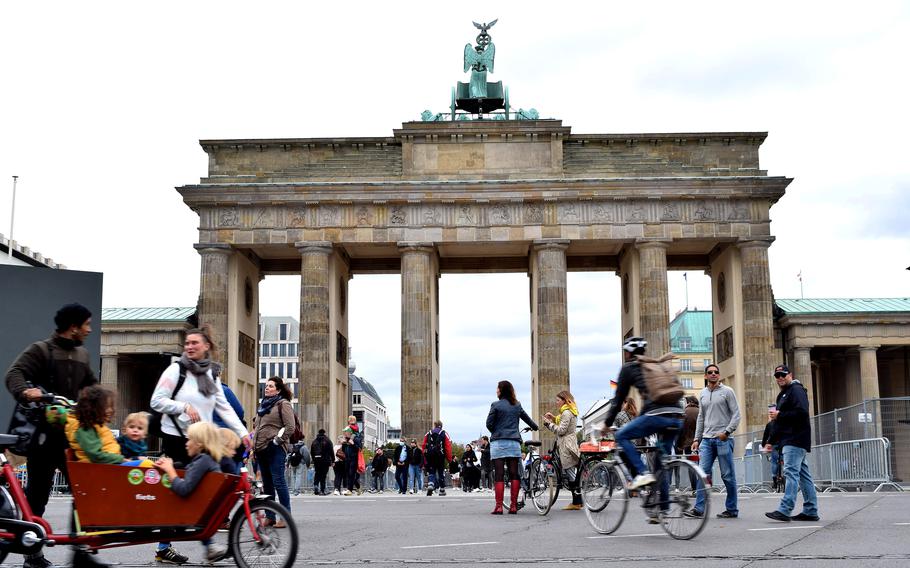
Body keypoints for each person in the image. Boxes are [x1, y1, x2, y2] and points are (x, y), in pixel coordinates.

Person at [4, 303, 104, 568]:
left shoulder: (82, 355)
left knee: (85, 494)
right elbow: (13, 374)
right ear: (73, 327)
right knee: (38, 495)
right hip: (44, 437)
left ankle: (81, 553)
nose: (89, 329)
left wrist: (99, 401)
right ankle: (32, 553)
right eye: (86, 324)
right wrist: (26, 391)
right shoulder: (42, 350)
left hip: (72, 437)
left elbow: (91, 386)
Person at [149, 327, 248, 564]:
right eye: (187, 343)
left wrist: (243, 433)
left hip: (202, 439)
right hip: (177, 439)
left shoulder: (211, 374)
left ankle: (208, 533)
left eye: (195, 343)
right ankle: (181, 545)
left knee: (226, 476)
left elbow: (223, 406)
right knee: (182, 492)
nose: (189, 346)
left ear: (206, 346)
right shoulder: (176, 370)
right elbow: (157, 400)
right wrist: (182, 407)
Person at [601, 337, 684, 491]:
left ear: (627, 352)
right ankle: (663, 510)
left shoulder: (629, 368)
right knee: (660, 465)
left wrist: (606, 425)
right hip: (677, 415)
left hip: (656, 416)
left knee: (621, 436)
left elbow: (618, 401)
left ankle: (642, 472)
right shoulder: (655, 365)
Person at [155, 422, 229, 563]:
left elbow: (184, 489)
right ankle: (209, 547)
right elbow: (189, 469)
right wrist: (172, 465)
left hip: (192, 513)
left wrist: (170, 471)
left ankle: (163, 547)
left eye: (189, 439)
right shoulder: (209, 460)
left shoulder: (202, 461)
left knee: (167, 502)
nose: (186, 443)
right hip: (202, 511)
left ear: (200, 444)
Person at [686, 363, 742, 519]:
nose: (713, 374)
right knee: (702, 474)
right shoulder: (702, 393)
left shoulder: (727, 392)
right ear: (705, 376)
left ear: (719, 375)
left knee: (727, 476)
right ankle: (699, 509)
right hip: (706, 441)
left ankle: (731, 509)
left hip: (723, 439)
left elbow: (736, 415)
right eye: (710, 372)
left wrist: (727, 432)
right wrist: (697, 438)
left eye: (716, 372)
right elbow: (701, 418)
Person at [765, 364, 819, 522]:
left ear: (790, 374)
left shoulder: (795, 390)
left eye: (783, 374)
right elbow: (780, 422)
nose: (780, 378)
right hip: (793, 438)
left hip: (795, 438)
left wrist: (780, 414)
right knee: (803, 476)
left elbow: (802, 412)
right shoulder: (784, 393)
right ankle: (810, 510)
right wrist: (771, 441)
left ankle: (785, 509)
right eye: (777, 376)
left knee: (791, 474)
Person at [486, 380, 539, 514]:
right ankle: (514, 505)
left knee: (499, 474)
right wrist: (535, 427)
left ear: (501, 390)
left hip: (498, 442)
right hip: (513, 442)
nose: (496, 391)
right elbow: (527, 419)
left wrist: (496, 431)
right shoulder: (517, 405)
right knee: (514, 474)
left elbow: (489, 424)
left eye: (497, 388)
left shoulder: (495, 405)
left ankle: (499, 506)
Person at [252, 376, 294, 523]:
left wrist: (276, 441)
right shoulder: (263, 405)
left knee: (278, 481)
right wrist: (253, 447)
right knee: (267, 484)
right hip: (261, 449)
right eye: (266, 386)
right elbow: (257, 428)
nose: (267, 388)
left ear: (278, 389)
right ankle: (270, 516)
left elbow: (290, 427)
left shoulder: (283, 404)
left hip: (275, 449)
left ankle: (285, 516)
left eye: (270, 386)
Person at [65, 385, 126, 465]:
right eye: (106, 406)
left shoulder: (94, 426)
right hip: (102, 469)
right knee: (145, 466)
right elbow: (96, 456)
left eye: (111, 406)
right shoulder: (85, 429)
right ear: (93, 408)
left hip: (109, 466)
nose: (110, 410)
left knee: (144, 465)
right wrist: (122, 459)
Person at [543, 390, 583, 510]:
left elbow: (561, 430)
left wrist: (548, 424)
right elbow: (564, 423)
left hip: (566, 444)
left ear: (564, 400)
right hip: (570, 442)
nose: (556, 403)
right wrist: (554, 418)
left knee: (571, 473)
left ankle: (576, 502)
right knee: (571, 472)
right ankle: (577, 501)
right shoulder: (570, 410)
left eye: (558, 400)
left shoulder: (566, 412)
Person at [422, 420, 453, 496]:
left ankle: (430, 485)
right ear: (441, 425)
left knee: (432, 472)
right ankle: (442, 490)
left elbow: (423, 445)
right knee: (440, 472)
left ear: (434, 425)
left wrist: (425, 455)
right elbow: (447, 446)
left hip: (430, 455)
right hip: (440, 456)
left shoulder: (428, 433)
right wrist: (449, 459)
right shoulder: (444, 433)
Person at [342, 416, 363, 495]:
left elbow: (360, 448)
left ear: (350, 432)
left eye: (346, 432)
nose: (345, 433)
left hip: (354, 458)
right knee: (348, 474)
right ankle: (358, 487)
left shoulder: (356, 438)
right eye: (344, 432)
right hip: (347, 458)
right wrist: (344, 443)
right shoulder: (346, 439)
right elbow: (344, 450)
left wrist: (353, 444)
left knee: (351, 474)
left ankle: (349, 490)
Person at [760, 415, 782, 491]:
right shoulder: (782, 422)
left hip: (775, 445)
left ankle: (774, 480)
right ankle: (785, 475)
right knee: (785, 460)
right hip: (783, 444)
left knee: (774, 462)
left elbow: (765, 435)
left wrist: (764, 444)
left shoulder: (770, 424)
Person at [310, 428, 333, 495]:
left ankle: (316, 485)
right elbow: (331, 451)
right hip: (325, 460)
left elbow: (312, 452)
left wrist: (314, 460)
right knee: (323, 475)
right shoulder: (327, 440)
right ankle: (322, 490)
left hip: (317, 460)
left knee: (317, 474)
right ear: (324, 433)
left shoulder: (314, 441)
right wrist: (333, 460)